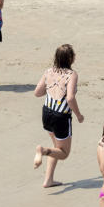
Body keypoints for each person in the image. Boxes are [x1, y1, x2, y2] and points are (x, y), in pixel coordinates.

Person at [33, 43, 83, 187]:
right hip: (61, 116)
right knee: (64, 153)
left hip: (47, 113)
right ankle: (42, 150)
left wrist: (51, 89)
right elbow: (70, 98)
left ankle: (48, 180)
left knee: (56, 147)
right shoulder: (71, 74)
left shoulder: (48, 71)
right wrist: (79, 115)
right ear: (72, 59)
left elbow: (37, 92)